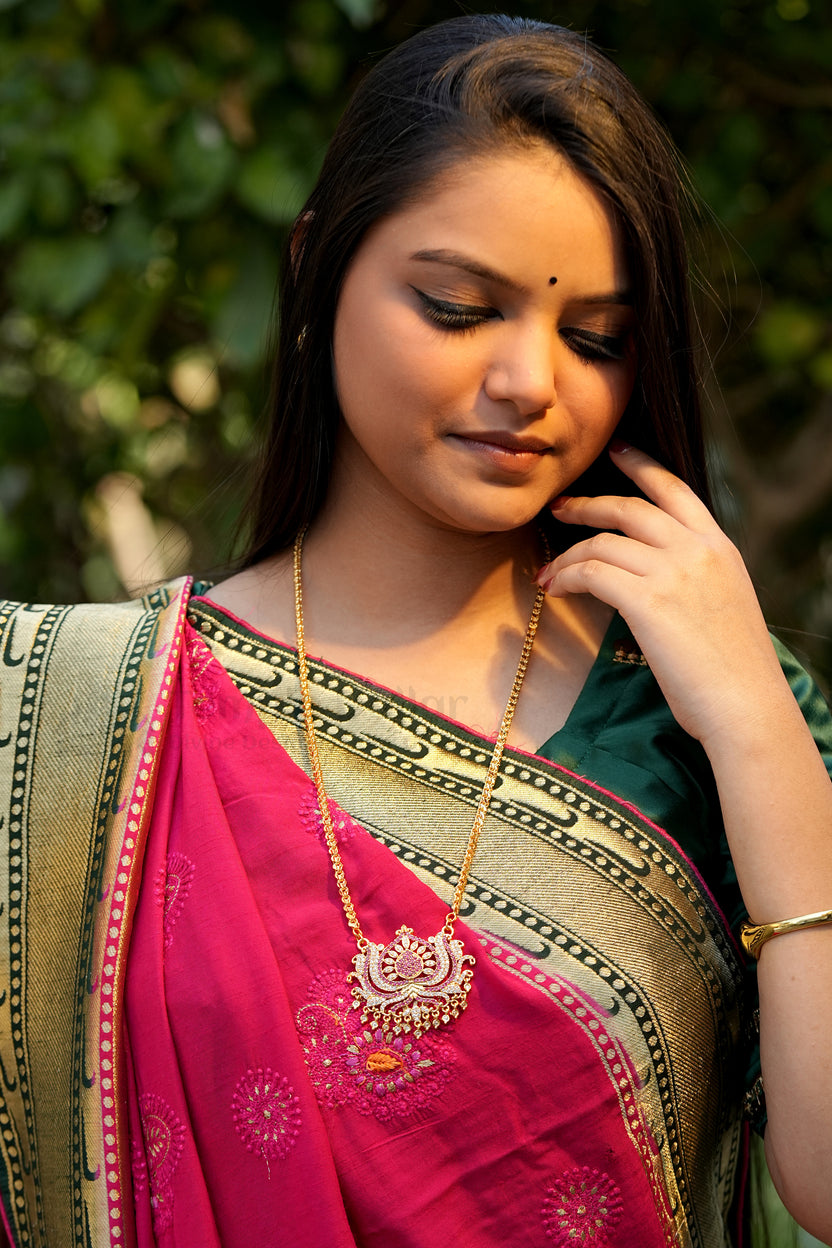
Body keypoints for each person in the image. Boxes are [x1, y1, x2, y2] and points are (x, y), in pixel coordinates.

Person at [0, 13, 830, 1247]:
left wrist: (762, 740)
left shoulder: (704, 714)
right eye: (455, 307)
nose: (529, 382)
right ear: (312, 270)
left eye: (594, 337)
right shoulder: (77, 723)